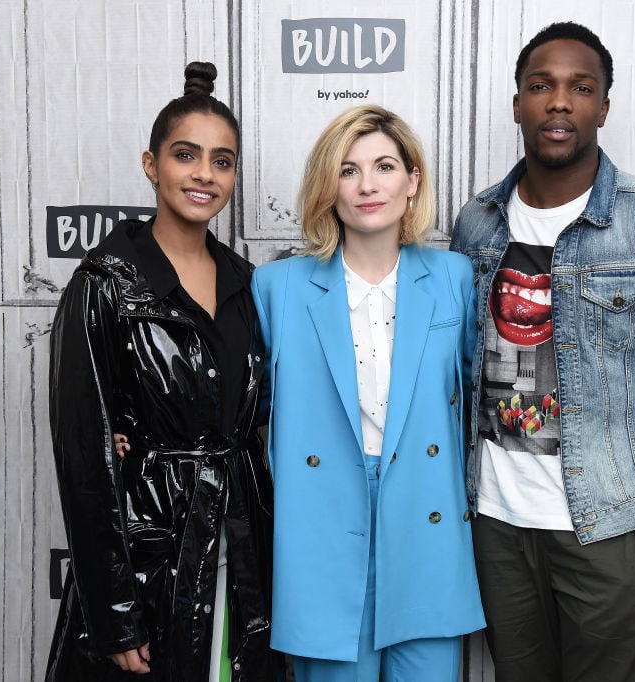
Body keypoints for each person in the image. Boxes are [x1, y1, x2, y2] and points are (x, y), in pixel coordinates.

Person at [450, 22, 635, 682]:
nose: (558, 102)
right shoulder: (476, 222)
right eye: (541, 86)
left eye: (580, 87)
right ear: (517, 101)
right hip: (495, 523)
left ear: (603, 106)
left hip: (607, 530)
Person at [47, 62, 275, 681]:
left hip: (240, 544)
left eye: (222, 161)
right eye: (186, 155)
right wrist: (115, 615)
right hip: (151, 556)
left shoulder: (249, 286)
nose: (204, 174)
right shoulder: (105, 284)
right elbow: (85, 461)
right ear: (152, 165)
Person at [250, 104, 485, 682]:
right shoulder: (277, 287)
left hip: (425, 519)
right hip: (321, 526)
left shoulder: (454, 277)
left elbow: (474, 400)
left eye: (384, 166)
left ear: (413, 181)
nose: (367, 185)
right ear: (329, 186)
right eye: (348, 170)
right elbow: (243, 406)